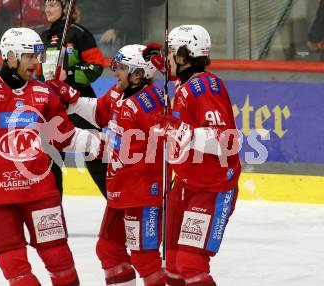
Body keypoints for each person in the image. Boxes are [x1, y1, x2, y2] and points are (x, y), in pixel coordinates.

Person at [0, 27, 102, 286]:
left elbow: (64, 136)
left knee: (60, 260)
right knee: (16, 268)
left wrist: (103, 145)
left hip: (40, 192)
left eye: (38, 57)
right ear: (10, 56)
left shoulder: (43, 93)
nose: (36, 63)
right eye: (29, 57)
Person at [47, 44, 167, 285]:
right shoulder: (119, 93)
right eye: (117, 66)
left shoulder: (148, 102)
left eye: (122, 68)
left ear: (137, 74)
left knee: (145, 258)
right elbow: (100, 110)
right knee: (109, 249)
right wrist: (70, 96)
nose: (116, 72)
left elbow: (165, 140)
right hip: (121, 191)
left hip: (141, 193)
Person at [143, 25, 242, 286]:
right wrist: (156, 62)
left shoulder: (204, 87)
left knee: (191, 264)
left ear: (184, 56)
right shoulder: (187, 81)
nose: (166, 59)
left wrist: (179, 129)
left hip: (211, 189)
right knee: (173, 267)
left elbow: (224, 140)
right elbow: (178, 77)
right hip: (186, 186)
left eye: (171, 52)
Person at [40, 0, 107, 198]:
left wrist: (68, 74)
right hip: (53, 105)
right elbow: (37, 71)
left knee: (94, 153)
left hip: (79, 103)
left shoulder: (79, 33)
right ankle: (53, 209)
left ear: (65, 9)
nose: (47, 9)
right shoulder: (44, 36)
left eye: (52, 5)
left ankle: (116, 205)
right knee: (51, 157)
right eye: (46, 5)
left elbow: (96, 66)